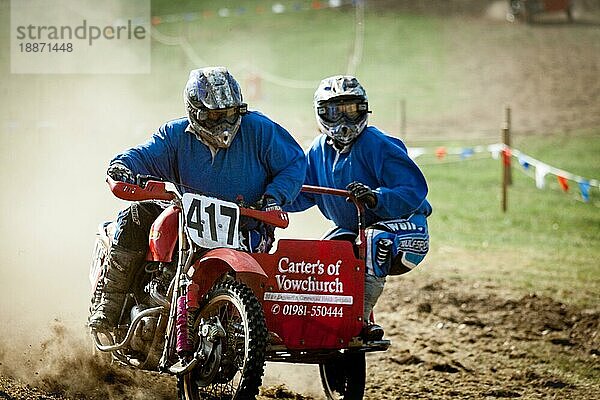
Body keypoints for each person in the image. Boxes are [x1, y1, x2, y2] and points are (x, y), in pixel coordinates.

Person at [89, 66, 306, 331]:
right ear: (194, 113)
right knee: (135, 216)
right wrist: (122, 167)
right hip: (186, 221)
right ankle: (109, 304)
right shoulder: (174, 135)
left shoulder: (260, 129)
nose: (223, 124)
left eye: (228, 114)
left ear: (239, 109)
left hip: (248, 226)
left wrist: (274, 198)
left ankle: (246, 327)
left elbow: (294, 163)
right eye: (213, 116)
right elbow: (143, 155)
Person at [287, 75, 432, 340]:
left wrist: (377, 198)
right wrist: (270, 197)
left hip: (407, 230)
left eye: (351, 110)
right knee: (323, 256)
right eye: (335, 111)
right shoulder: (316, 151)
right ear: (321, 113)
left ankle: (360, 319)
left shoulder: (379, 144)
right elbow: (301, 194)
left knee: (377, 240)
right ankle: (327, 319)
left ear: (364, 109)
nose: (344, 121)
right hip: (356, 231)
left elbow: (414, 190)